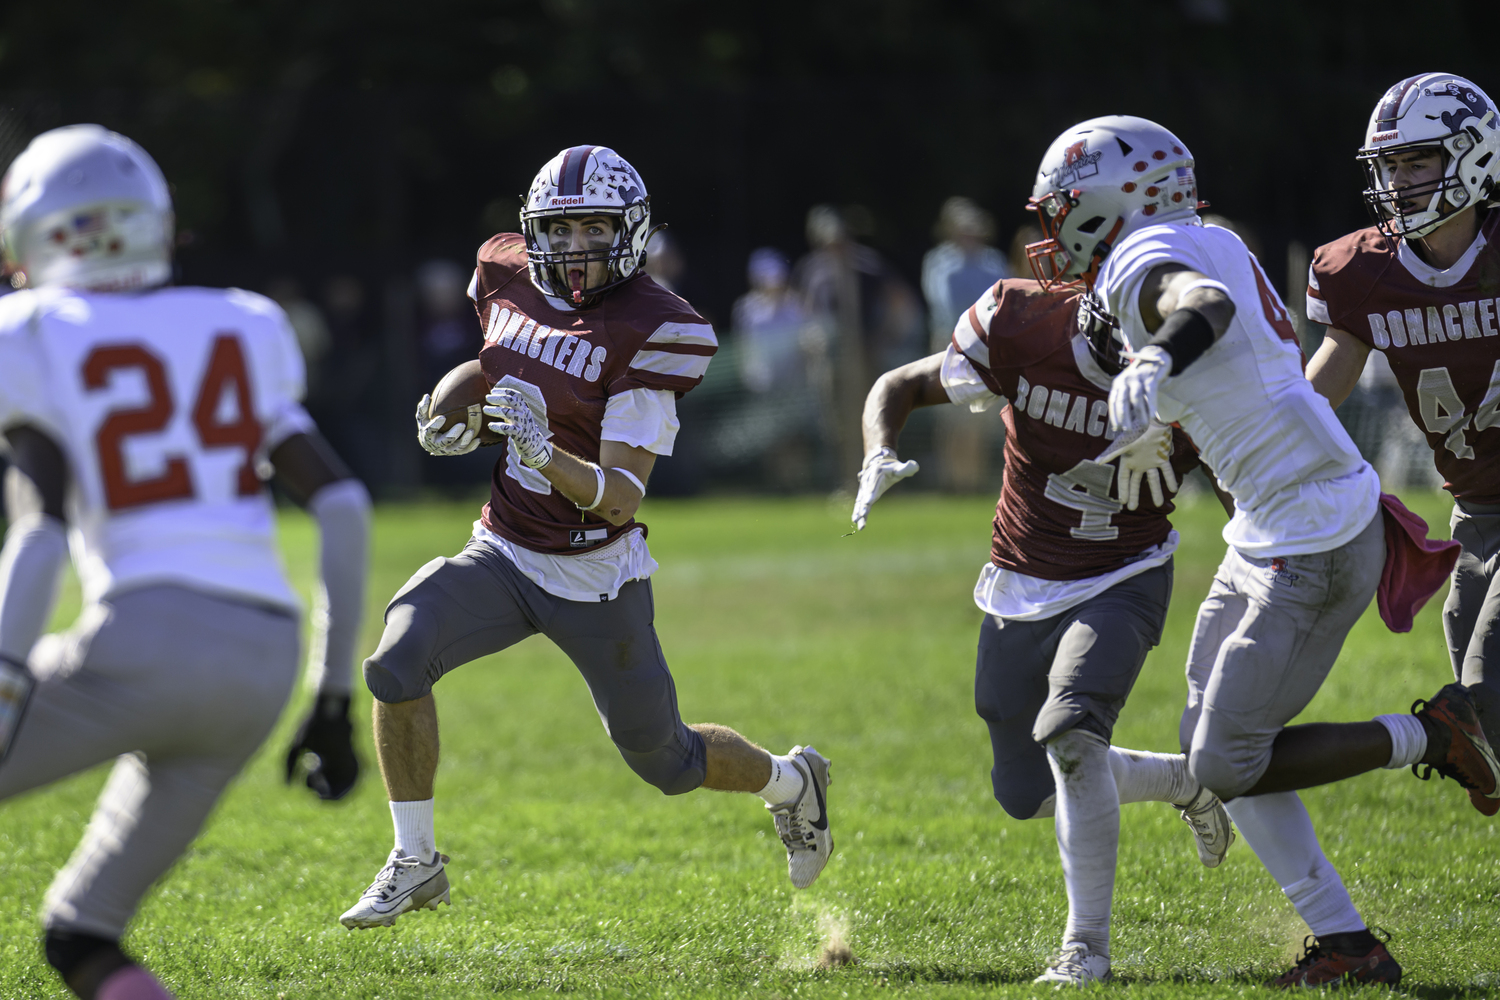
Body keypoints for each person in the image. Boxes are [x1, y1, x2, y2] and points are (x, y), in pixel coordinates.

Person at [1028, 114, 1500, 987]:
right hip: (1276, 520)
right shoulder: (1210, 234)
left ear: (1109, 199)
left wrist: (1152, 363)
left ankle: (1428, 736)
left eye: (1063, 207)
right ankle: (1349, 946)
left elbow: (1199, 311)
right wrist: (1161, 409)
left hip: (1311, 533)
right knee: (1215, 740)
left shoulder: (1143, 259)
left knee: (1222, 761)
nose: (1054, 228)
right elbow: (1238, 361)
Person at [338, 145, 833, 930]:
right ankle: (416, 858)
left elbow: (617, 498)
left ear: (631, 231)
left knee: (665, 760)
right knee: (396, 662)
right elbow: (498, 361)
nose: (575, 249)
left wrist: (540, 451)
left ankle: (791, 782)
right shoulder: (501, 274)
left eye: (595, 228)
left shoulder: (654, 328)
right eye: (560, 231)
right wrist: (454, 414)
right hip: (502, 548)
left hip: (592, 571)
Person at [0, 125, 370, 1000]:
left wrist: (9, 679)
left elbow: (40, 536)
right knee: (82, 933)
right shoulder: (243, 321)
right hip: (263, 665)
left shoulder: (31, 333)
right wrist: (331, 700)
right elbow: (344, 504)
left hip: (144, 634)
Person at [852, 276, 1234, 986]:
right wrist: (879, 450)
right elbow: (899, 381)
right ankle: (1183, 781)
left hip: (1126, 573)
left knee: (1072, 729)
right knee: (1024, 792)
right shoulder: (1024, 324)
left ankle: (1085, 948)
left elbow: (1243, 486)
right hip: (1020, 579)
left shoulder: (1202, 374)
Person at [1304, 73, 1500, 780]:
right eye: (1390, 165)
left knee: (1479, 697)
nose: (1400, 180)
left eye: (1417, 161)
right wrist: (1253, 450)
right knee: (1489, 729)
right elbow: (1322, 385)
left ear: (1474, 155)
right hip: (1477, 511)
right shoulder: (1368, 271)